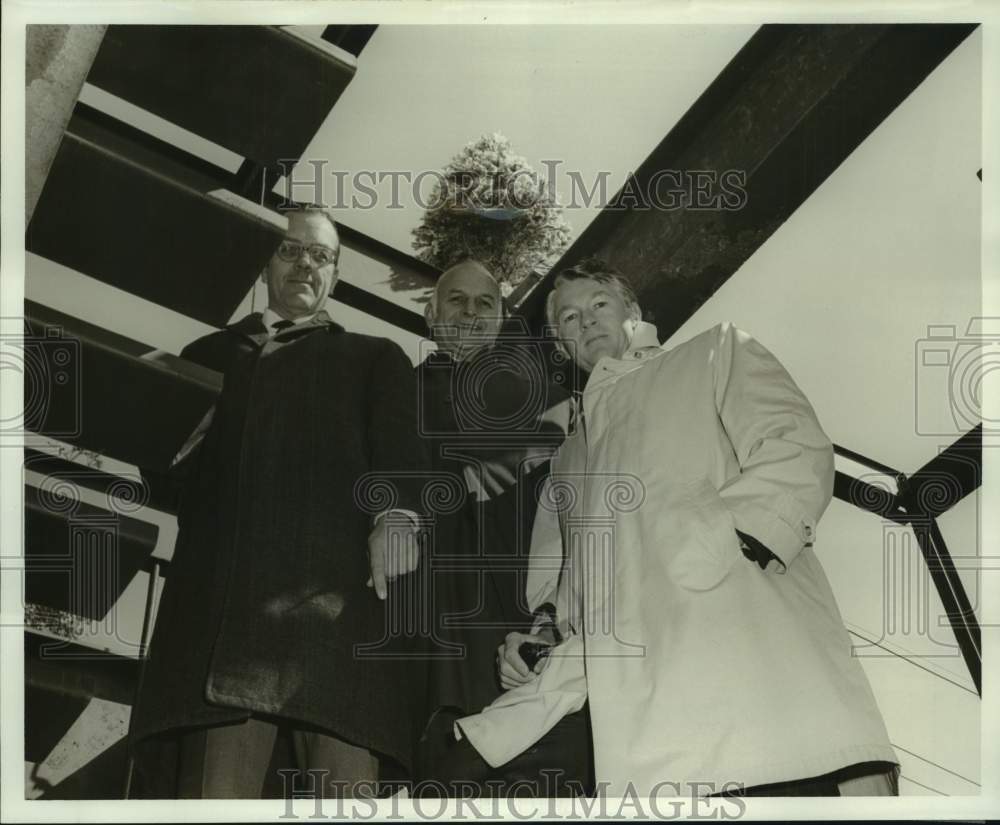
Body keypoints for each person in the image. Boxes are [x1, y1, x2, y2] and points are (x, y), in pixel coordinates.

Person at [467, 258, 898, 797]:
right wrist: (540, 640)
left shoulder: (715, 351)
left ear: (634, 312)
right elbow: (559, 585)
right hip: (642, 710)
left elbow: (793, 443)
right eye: (569, 319)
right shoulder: (566, 460)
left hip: (752, 656)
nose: (587, 322)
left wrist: (723, 542)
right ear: (561, 345)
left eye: (599, 304)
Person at [129, 204, 429, 799]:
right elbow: (168, 482)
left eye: (321, 255)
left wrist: (396, 515)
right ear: (265, 265)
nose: (305, 264)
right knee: (220, 799)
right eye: (290, 249)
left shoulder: (373, 358)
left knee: (344, 797)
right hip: (223, 621)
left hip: (336, 622)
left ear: (335, 275)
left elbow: (402, 452)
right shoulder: (208, 354)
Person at [412, 259, 590, 796]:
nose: (470, 312)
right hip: (421, 595)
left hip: (512, 594)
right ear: (430, 314)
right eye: (456, 300)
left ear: (502, 317)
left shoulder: (539, 388)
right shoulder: (400, 387)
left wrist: (473, 475)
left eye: (485, 303)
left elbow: (562, 456)